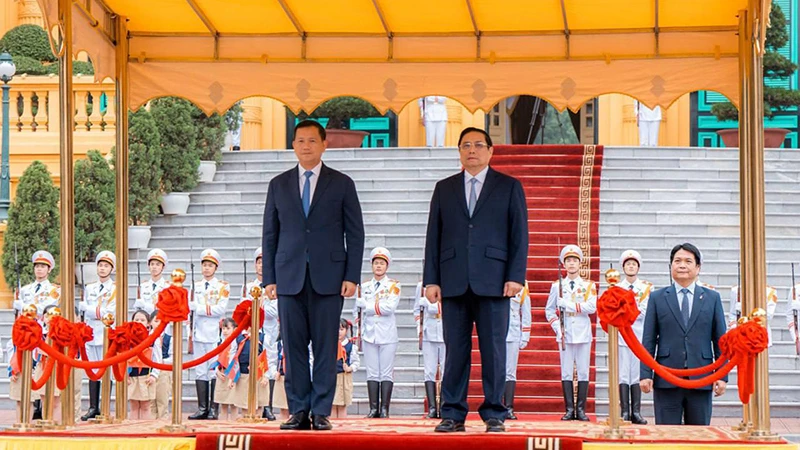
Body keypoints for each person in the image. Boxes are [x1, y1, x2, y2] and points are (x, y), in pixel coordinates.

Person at [261, 119, 365, 431]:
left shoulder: (341, 183)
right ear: (293, 145)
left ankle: (320, 410)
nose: (306, 146)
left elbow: (355, 233)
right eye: (300, 141)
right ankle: (298, 409)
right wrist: (269, 278)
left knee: (324, 346)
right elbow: (270, 234)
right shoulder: (278, 184)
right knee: (292, 347)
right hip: (289, 275)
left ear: (324, 144)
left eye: (311, 141)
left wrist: (352, 275)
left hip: (330, 277)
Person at [423, 127, 528, 433]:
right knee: (455, 349)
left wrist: (515, 276)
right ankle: (453, 413)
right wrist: (432, 279)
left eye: (478, 145)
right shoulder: (444, 188)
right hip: (453, 280)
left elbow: (519, 235)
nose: (472, 150)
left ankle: (495, 411)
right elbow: (434, 236)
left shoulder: (508, 186)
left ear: (491, 151)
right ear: (459, 152)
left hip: (495, 281)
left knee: (494, 349)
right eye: (466, 145)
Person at [640, 243, 728, 426]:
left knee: (699, 436)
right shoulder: (657, 297)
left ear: (698, 268)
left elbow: (720, 340)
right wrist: (645, 374)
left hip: (702, 378)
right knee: (666, 436)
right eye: (677, 261)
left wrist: (721, 375)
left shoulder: (712, 298)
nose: (682, 265)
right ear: (671, 266)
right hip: (666, 378)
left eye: (688, 261)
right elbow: (648, 339)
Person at [545, 245, 596, 422]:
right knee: (566, 372)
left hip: (582, 332)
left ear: (580, 263)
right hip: (565, 332)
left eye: (574, 260)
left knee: (583, 372)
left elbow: (592, 307)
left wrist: (568, 305)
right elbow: (549, 311)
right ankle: (569, 409)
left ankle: (581, 409)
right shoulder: (557, 286)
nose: (572, 264)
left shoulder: (589, 285)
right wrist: (557, 329)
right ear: (564, 265)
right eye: (568, 261)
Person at [354, 247, 400, 418]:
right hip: (369, 332)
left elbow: (389, 307)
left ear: (386, 266)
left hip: (387, 333)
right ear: (372, 266)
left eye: (382, 263)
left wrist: (366, 306)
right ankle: (374, 408)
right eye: (376, 263)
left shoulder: (393, 286)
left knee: (386, 371)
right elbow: (356, 311)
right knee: (372, 371)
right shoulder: (364, 287)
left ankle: (385, 409)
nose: (378, 266)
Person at [188, 248, 230, 420]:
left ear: (215, 268)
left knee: (213, 370)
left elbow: (221, 309)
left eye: (210, 265)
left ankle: (213, 408)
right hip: (198, 332)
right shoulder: (195, 285)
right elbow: (189, 309)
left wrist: (199, 308)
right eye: (204, 265)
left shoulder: (222, 286)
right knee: (200, 370)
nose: (206, 268)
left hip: (214, 332)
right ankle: (202, 408)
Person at [78, 250, 116, 421]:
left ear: (111, 269)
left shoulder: (115, 289)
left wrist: (90, 309)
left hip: (105, 333)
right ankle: (94, 407)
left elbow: (110, 312)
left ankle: (105, 405)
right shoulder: (89, 287)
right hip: (91, 332)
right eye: (100, 265)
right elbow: (85, 313)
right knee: (92, 371)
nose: (102, 268)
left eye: (106, 266)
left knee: (106, 369)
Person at [617, 250, 652, 425]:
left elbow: (645, 310)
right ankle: (624, 411)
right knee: (623, 374)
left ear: (638, 267)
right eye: (628, 264)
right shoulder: (616, 288)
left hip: (639, 334)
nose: (631, 266)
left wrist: (627, 312)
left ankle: (636, 411)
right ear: (623, 267)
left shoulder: (646, 288)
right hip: (623, 334)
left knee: (637, 373)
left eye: (633, 264)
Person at [244, 246, 278, 421]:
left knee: (269, 367)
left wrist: (260, 305)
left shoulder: (274, 286)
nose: (261, 266)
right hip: (253, 332)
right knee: (253, 366)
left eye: (264, 262)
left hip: (270, 331)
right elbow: (244, 311)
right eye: (258, 262)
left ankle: (268, 406)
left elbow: (275, 311)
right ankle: (254, 402)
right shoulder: (249, 287)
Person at [414, 280, 445, 419]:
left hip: (445, 331)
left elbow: (440, 308)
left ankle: (444, 406)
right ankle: (432, 408)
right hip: (428, 331)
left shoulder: (449, 282)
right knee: (429, 371)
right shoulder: (422, 286)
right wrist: (419, 328)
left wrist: (428, 303)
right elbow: (416, 310)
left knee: (445, 371)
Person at [504, 280, 531, 420]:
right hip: (494, 331)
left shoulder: (522, 283)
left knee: (510, 371)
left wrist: (525, 335)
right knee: (495, 370)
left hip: (512, 331)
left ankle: (508, 407)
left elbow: (526, 311)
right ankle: (494, 405)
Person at [128, 310, 157, 419]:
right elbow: (123, 357)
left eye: (142, 320)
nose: (139, 322)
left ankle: (145, 431)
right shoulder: (128, 338)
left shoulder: (153, 339)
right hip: (132, 376)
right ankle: (133, 431)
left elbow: (157, 359)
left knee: (145, 406)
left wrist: (154, 375)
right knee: (134, 405)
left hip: (147, 375)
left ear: (148, 323)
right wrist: (125, 374)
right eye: (137, 320)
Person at [332, 319, 359, 418]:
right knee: (332, 405)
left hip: (344, 377)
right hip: (331, 377)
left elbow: (356, 362)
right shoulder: (329, 345)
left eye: (341, 329)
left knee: (342, 405)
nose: (338, 332)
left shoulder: (350, 346)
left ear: (346, 330)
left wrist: (350, 368)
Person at [213, 318, 238, 420]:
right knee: (222, 403)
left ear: (234, 329)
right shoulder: (219, 342)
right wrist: (217, 371)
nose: (225, 331)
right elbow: (215, 358)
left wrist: (233, 375)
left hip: (232, 373)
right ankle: (222, 424)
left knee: (233, 404)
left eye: (228, 328)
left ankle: (233, 425)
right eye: (223, 328)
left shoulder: (236, 342)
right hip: (222, 373)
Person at [150, 310, 173, 420]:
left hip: (163, 370)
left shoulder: (169, 338)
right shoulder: (147, 337)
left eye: (161, 321)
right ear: (150, 322)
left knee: (162, 399)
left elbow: (172, 355)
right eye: (156, 321)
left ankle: (162, 421)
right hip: (149, 369)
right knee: (151, 401)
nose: (158, 324)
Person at [133, 249, 170, 315]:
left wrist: (145, 306)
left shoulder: (167, 287)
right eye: (152, 264)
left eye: (158, 264)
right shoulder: (143, 286)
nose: (154, 267)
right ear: (148, 266)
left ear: (163, 267)